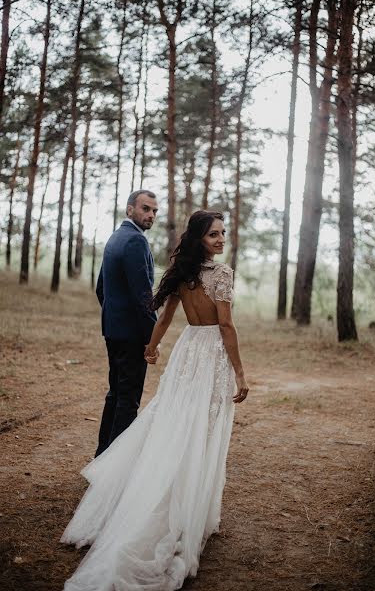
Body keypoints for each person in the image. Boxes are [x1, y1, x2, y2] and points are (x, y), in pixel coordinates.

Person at [61, 210, 249, 591]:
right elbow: (226, 325)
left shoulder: (182, 273)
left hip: (187, 350)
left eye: (223, 234)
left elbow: (164, 318)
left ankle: (176, 496)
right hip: (210, 352)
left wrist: (153, 345)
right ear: (199, 238)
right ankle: (182, 508)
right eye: (214, 234)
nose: (220, 239)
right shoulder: (222, 274)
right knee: (200, 428)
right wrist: (240, 372)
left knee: (177, 421)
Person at [94, 190, 159, 457]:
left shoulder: (115, 237)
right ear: (129, 209)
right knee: (128, 400)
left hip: (113, 331)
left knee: (116, 394)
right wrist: (152, 339)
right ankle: (114, 469)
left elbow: (101, 289)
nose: (151, 215)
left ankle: (102, 458)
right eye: (145, 209)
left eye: (154, 211)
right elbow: (144, 297)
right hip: (132, 335)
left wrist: (114, 319)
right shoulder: (135, 241)